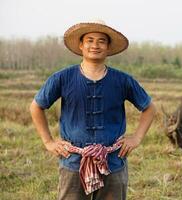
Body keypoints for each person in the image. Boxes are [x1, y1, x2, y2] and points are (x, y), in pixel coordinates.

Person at [30, 20, 156, 200]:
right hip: (73, 161)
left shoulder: (123, 80)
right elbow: (36, 106)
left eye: (101, 41)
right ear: (81, 45)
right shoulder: (62, 78)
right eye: (89, 40)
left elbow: (149, 107)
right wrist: (48, 141)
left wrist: (136, 138)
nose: (95, 45)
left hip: (113, 161)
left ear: (108, 47)